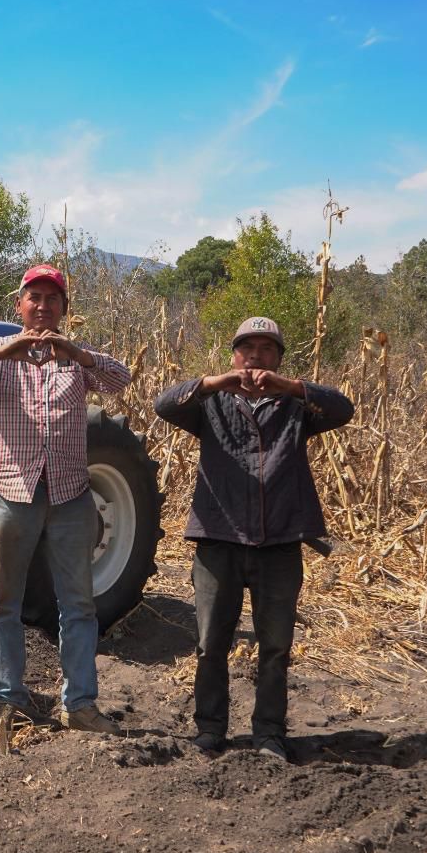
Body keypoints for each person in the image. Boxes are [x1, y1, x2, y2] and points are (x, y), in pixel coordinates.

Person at [0, 265, 133, 733]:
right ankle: (10, 700)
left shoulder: (76, 362)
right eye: (35, 298)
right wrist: (2, 347)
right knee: (3, 603)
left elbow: (121, 379)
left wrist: (79, 355)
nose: (43, 306)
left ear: (65, 309)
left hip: (69, 495)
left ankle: (80, 705)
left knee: (78, 604)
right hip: (11, 493)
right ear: (19, 306)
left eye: (52, 299)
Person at [153, 316, 354, 763]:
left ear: (279, 360)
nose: (256, 357)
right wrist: (214, 382)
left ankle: (268, 734)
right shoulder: (210, 405)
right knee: (210, 644)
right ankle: (210, 731)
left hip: (279, 543)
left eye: (266, 349)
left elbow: (344, 409)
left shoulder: (296, 409)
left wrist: (291, 387)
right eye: (247, 349)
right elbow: (163, 405)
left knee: (276, 646)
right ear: (233, 356)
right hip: (218, 540)